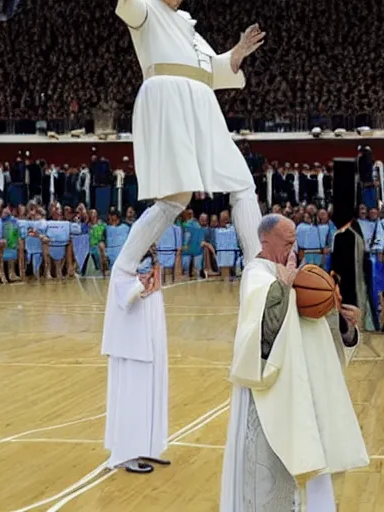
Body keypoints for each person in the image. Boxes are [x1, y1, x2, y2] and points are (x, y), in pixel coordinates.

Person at [110, 0, 265, 301]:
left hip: (202, 102)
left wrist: (239, 51)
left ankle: (259, 270)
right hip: (169, 97)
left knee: (241, 183)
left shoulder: (189, 28)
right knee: (174, 200)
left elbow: (215, 71)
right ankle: (125, 270)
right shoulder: (146, 9)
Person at [220, 214, 369, 511]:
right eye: (288, 241)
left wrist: (344, 324)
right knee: (273, 485)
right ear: (266, 241)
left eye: (295, 240)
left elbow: (321, 337)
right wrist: (284, 289)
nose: (294, 247)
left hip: (310, 396)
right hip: (274, 399)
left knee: (317, 469)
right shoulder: (257, 274)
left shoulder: (301, 276)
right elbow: (260, 336)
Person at [103, 247, 168, 474]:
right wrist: (142, 281)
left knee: (152, 394)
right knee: (134, 396)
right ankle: (127, 454)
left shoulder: (149, 267)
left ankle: (147, 446)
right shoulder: (123, 270)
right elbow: (127, 297)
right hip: (134, 345)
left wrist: (151, 278)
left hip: (152, 339)